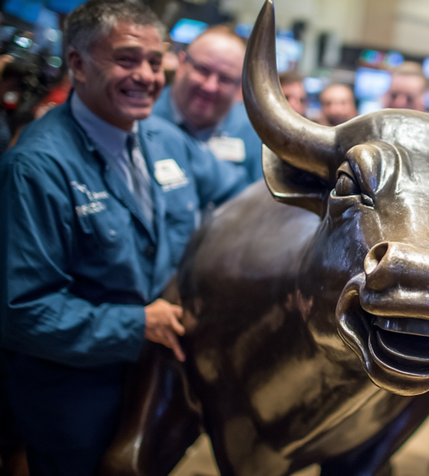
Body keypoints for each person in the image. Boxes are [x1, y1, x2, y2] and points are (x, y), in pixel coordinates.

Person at [0, 2, 247, 474]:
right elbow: (23, 313)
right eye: (127, 59)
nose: (147, 76)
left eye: (155, 62)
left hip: (155, 383)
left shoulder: (163, 138)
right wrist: (137, 324)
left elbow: (241, 193)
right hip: (76, 397)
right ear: (77, 63)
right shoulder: (35, 169)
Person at [153, 25, 264, 182]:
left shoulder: (253, 131)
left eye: (225, 78)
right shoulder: (144, 116)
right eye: (202, 69)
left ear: (239, 86)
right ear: (182, 63)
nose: (210, 86)